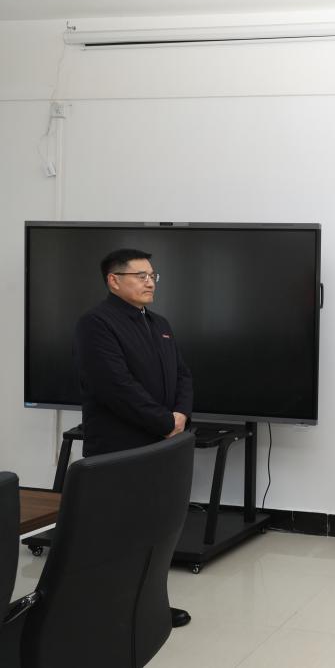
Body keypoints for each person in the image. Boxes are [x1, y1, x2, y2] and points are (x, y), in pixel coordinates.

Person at [74, 248, 194, 628]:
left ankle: (149, 607)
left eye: (152, 275)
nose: (150, 282)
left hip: (161, 445)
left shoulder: (159, 322)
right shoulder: (96, 324)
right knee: (118, 533)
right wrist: (164, 421)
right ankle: (109, 613)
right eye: (140, 275)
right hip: (119, 447)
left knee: (155, 530)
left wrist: (180, 416)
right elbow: (116, 386)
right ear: (114, 280)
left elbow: (182, 375)